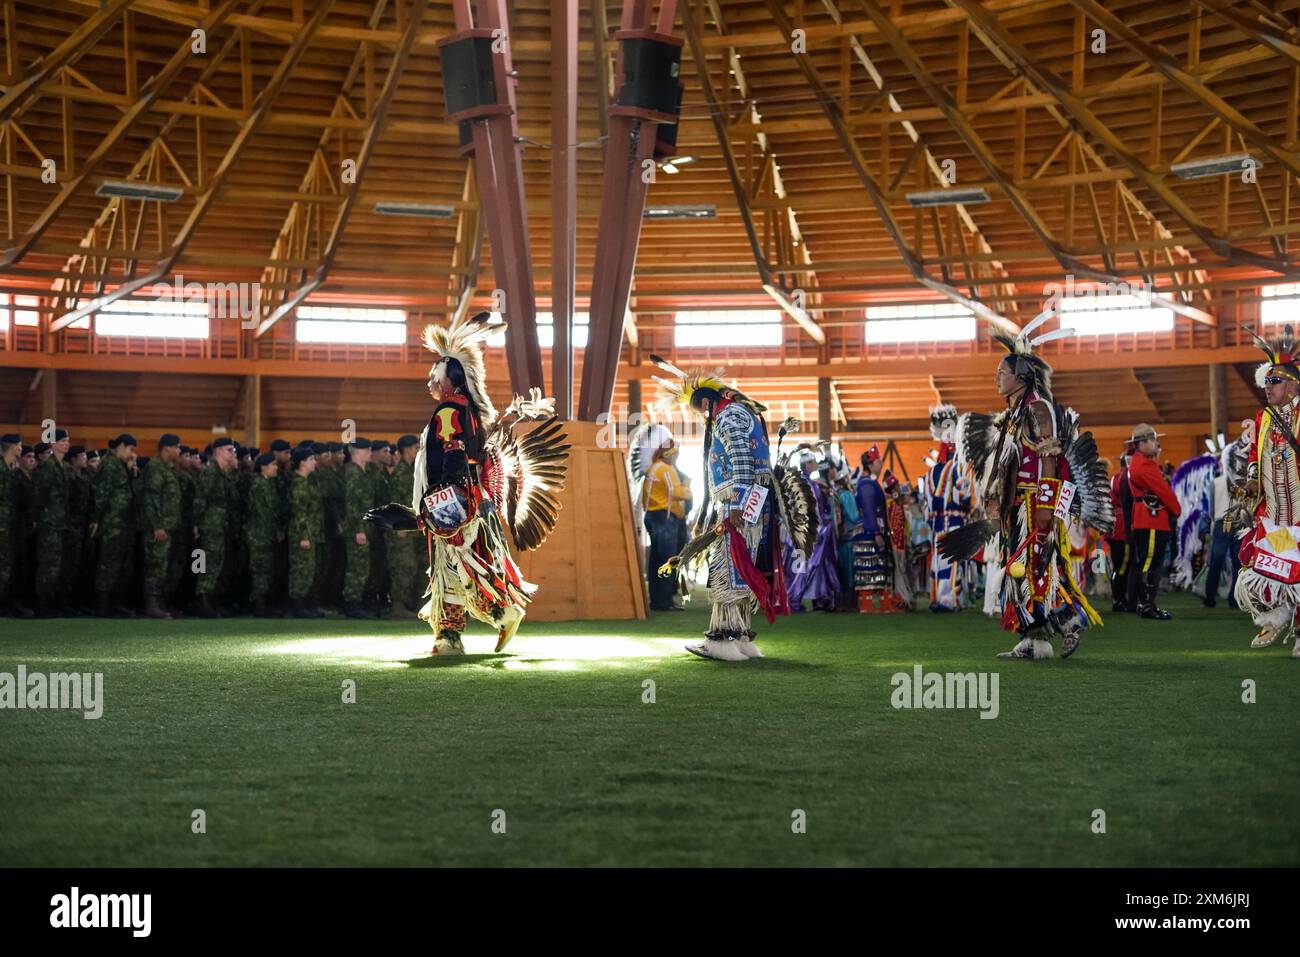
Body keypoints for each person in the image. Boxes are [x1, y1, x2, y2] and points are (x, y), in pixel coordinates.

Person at [399, 311, 569, 655]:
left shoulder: (448, 410)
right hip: (469, 499)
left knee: (451, 564)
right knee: (468, 561)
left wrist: (441, 498)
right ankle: (492, 615)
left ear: (450, 379)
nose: (430, 381)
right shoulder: (468, 410)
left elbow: (453, 452)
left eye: (435, 375)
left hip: (453, 503)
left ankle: (454, 634)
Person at [947, 314, 1114, 659]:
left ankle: (1071, 620)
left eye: (1002, 373)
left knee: (1039, 568)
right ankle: (1034, 642)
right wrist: (995, 500)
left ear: (1020, 376)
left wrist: (1044, 508)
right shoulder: (1012, 415)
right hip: (1016, 506)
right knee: (1019, 572)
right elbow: (1005, 466)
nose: (997, 378)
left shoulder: (1038, 410)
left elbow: (1049, 460)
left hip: (1035, 504)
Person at [649, 357, 810, 661]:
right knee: (742, 570)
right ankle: (742, 639)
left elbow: (742, 461)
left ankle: (721, 642)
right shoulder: (744, 413)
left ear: (708, 403)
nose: (701, 419)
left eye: (699, 412)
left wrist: (737, 502)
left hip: (738, 506)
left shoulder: (728, 416)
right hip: (753, 506)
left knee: (726, 570)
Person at [1233, 324, 1300, 655]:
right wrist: (1251, 478)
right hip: (1273, 511)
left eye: (1274, 381)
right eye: (1266, 381)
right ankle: (1277, 613)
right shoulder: (1263, 418)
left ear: (1292, 384)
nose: (1267, 387)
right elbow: (1253, 456)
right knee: (1258, 560)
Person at [631, 423, 691, 612]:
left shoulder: (654, 469)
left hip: (654, 517)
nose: (676, 456)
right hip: (664, 519)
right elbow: (678, 493)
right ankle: (663, 602)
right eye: (674, 453)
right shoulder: (665, 470)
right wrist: (688, 486)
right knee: (667, 560)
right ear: (667, 453)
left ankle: (658, 600)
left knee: (657, 560)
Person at [1125, 424, 1180, 620]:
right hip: (1151, 519)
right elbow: (1164, 492)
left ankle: (1145, 604)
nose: (1157, 444)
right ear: (1142, 443)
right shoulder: (1145, 465)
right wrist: (1176, 509)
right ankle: (1147, 605)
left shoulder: (1139, 462)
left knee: (1147, 563)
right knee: (1150, 564)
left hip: (1146, 517)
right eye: (1153, 440)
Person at [923, 404, 970, 611]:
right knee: (951, 560)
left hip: (938, 522)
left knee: (940, 560)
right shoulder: (958, 468)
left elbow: (927, 501)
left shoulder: (932, 472)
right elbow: (964, 496)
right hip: (955, 520)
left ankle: (938, 598)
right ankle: (948, 600)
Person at [93, 434, 138, 617]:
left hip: (123, 523)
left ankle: (115, 602)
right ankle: (103, 605)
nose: (132, 454)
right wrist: (96, 519)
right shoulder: (110, 464)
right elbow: (101, 495)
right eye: (130, 449)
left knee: (122, 566)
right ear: (120, 446)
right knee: (109, 565)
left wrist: (130, 469)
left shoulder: (120, 465)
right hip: (112, 523)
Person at [194, 436, 238, 618]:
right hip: (210, 528)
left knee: (218, 565)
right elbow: (200, 499)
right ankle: (201, 601)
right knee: (206, 565)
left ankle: (212, 601)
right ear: (218, 451)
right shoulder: (210, 473)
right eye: (230, 450)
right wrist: (196, 524)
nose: (233, 454)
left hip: (221, 527)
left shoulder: (224, 474)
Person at [141, 434, 182, 619]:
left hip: (168, 526)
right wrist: (157, 525)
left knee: (164, 567)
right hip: (159, 528)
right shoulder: (155, 467)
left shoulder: (168, 468)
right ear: (167, 448)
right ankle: (152, 605)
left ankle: (161, 604)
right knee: (155, 567)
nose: (179, 451)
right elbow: (151, 498)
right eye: (177, 447)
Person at [32, 429, 71, 617]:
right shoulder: (47, 468)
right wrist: (39, 519)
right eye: (63, 440)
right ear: (53, 444)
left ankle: (51, 601)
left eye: (68, 440)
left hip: (59, 522)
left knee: (57, 564)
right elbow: (38, 497)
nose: (67, 443)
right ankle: (43, 604)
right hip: (49, 523)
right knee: (48, 564)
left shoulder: (61, 466)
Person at [387, 435, 424, 617]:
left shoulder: (414, 471)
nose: (417, 450)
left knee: (418, 565)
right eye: (415, 447)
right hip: (404, 529)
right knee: (404, 566)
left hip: (415, 528)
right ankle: (398, 606)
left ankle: (415, 603)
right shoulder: (400, 473)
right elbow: (395, 502)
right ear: (407, 450)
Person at [288, 447, 324, 619]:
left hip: (310, 532)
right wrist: (303, 536)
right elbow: (299, 512)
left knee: (308, 569)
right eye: (311, 460)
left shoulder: (307, 482)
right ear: (302, 462)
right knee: (300, 569)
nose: (314, 462)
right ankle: (297, 604)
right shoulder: (298, 483)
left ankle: (304, 603)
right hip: (302, 534)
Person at [341, 438, 375, 620]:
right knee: (357, 567)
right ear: (358, 452)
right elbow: (352, 505)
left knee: (362, 566)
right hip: (357, 528)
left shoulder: (362, 472)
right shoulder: (353, 473)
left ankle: (356, 601)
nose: (370, 453)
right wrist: (358, 529)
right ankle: (352, 603)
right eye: (367, 450)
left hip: (363, 527)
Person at [247, 451, 283, 617]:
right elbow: (263, 512)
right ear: (263, 467)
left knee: (267, 570)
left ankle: (264, 603)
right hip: (259, 534)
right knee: (260, 570)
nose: (276, 468)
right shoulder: (258, 485)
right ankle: (259, 604)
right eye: (273, 465)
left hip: (266, 533)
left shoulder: (268, 484)